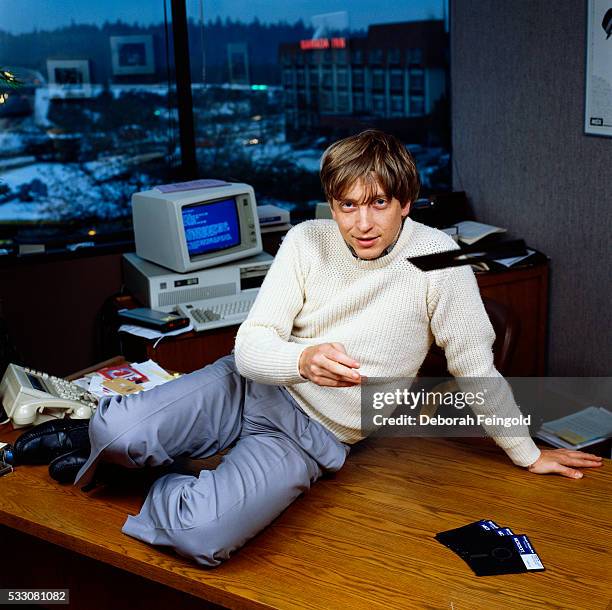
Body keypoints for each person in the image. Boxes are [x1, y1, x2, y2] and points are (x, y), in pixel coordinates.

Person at [75, 129, 603, 567]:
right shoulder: (307, 240)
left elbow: (474, 368)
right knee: (111, 430)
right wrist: (301, 359)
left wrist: (527, 453)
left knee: (203, 538)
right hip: (246, 384)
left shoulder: (439, 261)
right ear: (333, 203)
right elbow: (252, 344)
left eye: (378, 203)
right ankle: (158, 453)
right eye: (347, 205)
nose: (362, 223)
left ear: (405, 201)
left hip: (312, 433)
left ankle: (177, 476)